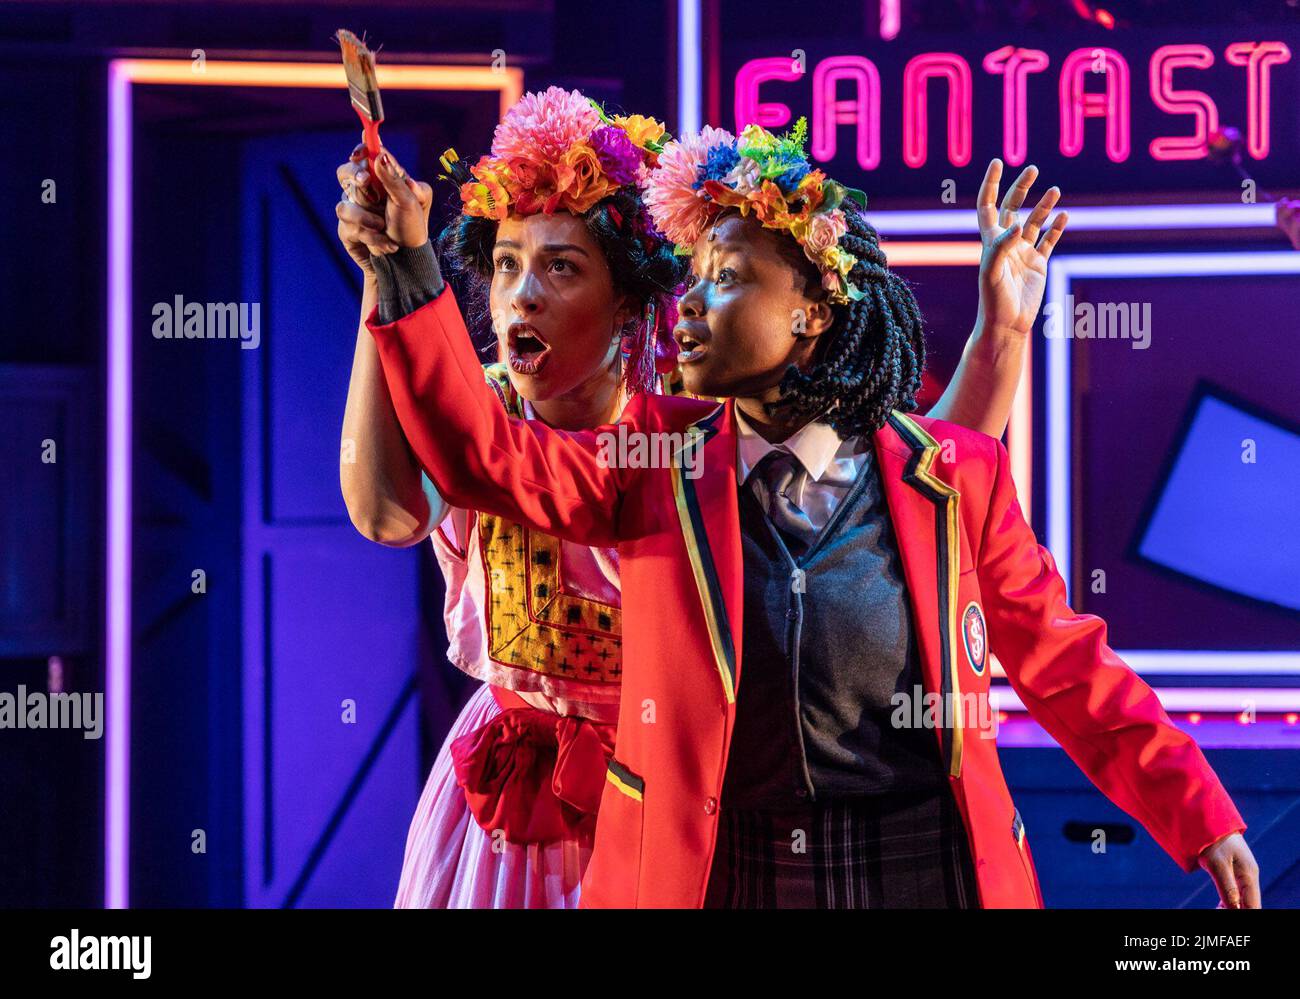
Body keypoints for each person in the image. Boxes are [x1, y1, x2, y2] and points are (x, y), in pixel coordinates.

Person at [342, 97, 1091, 907]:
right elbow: (387, 511)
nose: (522, 295)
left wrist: (1002, 335)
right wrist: (388, 275)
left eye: (562, 266)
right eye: (507, 265)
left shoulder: (689, 429)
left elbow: (914, 491)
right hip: (513, 808)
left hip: (684, 790)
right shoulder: (471, 410)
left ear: (629, 301)